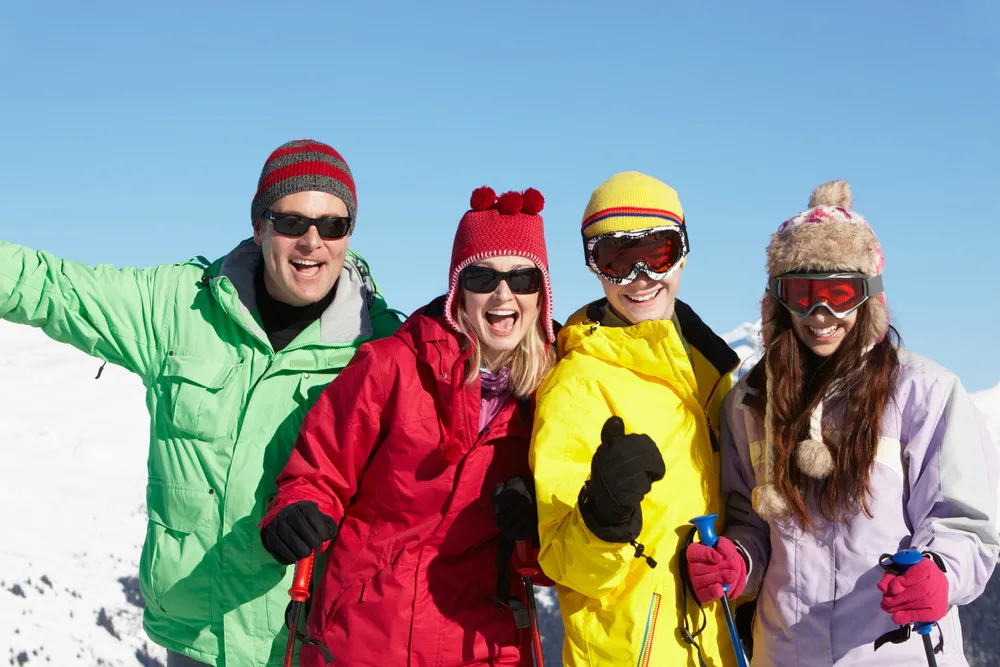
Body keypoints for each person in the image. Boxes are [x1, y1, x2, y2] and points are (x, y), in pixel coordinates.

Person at [0, 139, 402, 666]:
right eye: (291, 222)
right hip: (196, 637)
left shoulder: (381, 347)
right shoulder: (180, 307)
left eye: (333, 225)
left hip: (310, 642)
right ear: (260, 227)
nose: (312, 241)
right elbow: (51, 288)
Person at [685, 180, 1000, 665]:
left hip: (896, 651)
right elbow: (749, 520)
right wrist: (738, 559)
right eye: (802, 293)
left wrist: (940, 572)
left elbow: (965, 524)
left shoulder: (922, 393)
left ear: (869, 299)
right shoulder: (752, 403)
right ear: (777, 302)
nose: (820, 314)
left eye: (840, 293)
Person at [259, 186, 558, 666]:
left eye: (522, 277)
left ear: (540, 292)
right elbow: (319, 469)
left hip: (480, 641)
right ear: (459, 288)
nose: (504, 294)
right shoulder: (392, 366)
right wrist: (298, 509)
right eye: (483, 276)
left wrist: (539, 521)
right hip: (364, 633)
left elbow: (563, 550)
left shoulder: (552, 394)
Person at [529, 171, 741, 666]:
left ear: (683, 252)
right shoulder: (578, 383)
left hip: (717, 646)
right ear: (594, 268)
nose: (640, 277)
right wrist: (602, 518)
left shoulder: (712, 374)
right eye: (617, 260)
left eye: (658, 253)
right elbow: (561, 559)